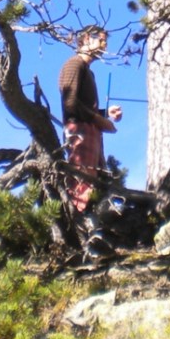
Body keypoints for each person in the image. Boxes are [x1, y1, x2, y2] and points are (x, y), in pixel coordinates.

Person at [58, 25, 122, 214]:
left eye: (105, 41)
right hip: (79, 133)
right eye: (101, 40)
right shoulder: (74, 64)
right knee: (81, 182)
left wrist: (105, 114)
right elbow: (70, 103)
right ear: (86, 39)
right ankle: (77, 222)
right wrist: (99, 120)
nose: (105, 45)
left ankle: (91, 220)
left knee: (93, 182)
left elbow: (81, 106)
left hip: (89, 132)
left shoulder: (88, 71)